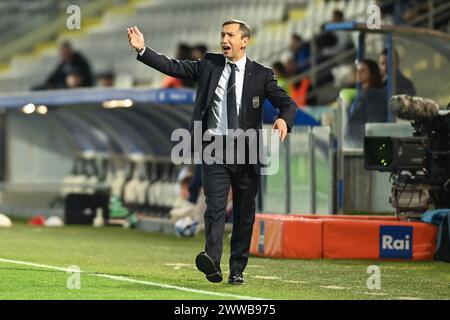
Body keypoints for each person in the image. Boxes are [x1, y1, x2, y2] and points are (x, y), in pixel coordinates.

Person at [127, 19, 296, 285]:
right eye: (222, 35)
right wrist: (143, 50)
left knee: (243, 213)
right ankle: (213, 261)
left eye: (230, 35)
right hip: (213, 148)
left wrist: (284, 118)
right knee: (214, 207)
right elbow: (173, 67)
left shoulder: (261, 75)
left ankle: (237, 268)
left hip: (247, 151)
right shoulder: (210, 64)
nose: (224, 40)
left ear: (244, 41)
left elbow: (285, 101)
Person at [346, 59, 388, 147]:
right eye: (357, 70)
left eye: (363, 70)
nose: (359, 73)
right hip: (354, 142)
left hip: (365, 145)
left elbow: (374, 123)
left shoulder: (375, 94)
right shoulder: (361, 93)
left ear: (372, 73)